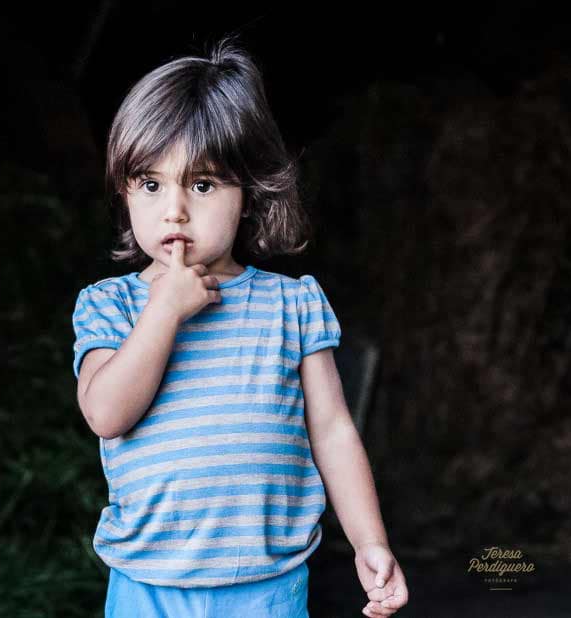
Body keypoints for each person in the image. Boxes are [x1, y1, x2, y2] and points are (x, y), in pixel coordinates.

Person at [71, 37, 409, 618]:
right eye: (151, 184)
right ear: (125, 190)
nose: (174, 209)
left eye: (202, 185)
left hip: (268, 586)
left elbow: (331, 431)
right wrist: (164, 311)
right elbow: (106, 413)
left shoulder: (292, 305)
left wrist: (369, 540)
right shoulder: (110, 305)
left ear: (248, 193)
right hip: (147, 585)